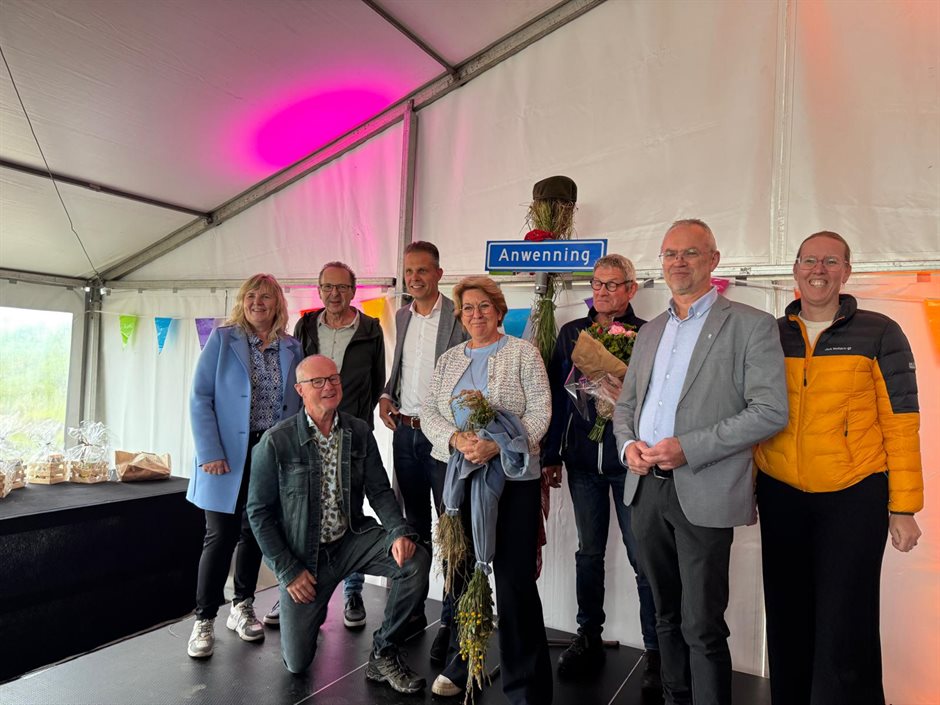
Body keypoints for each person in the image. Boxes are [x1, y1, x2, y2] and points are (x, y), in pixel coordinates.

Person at [613, 219, 788, 705]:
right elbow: (626, 406)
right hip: (645, 488)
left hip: (704, 489)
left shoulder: (751, 325)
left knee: (702, 624)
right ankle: (675, 697)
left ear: (713, 260)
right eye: (670, 253)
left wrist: (688, 447)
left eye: (690, 253)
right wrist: (627, 445)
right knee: (664, 614)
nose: (679, 262)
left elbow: (770, 411)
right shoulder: (650, 331)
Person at [754, 231, 923, 705]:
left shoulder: (879, 332)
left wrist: (904, 507)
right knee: (787, 616)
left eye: (831, 261)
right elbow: (751, 411)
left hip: (854, 496)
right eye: (810, 260)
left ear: (847, 271)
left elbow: (902, 422)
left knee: (846, 622)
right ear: (795, 269)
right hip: (781, 493)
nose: (819, 270)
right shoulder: (771, 334)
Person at [246, 355, 429, 694]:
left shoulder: (358, 431)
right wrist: (288, 571)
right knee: (297, 663)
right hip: (305, 559)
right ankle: (308, 612)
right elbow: (258, 513)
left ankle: (384, 652)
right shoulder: (275, 441)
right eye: (317, 382)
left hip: (351, 539)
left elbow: (379, 490)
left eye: (333, 379)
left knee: (415, 559)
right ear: (300, 390)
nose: (328, 386)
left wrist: (398, 531)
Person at [422, 276, 553, 704]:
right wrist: (456, 440)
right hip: (459, 479)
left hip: (513, 480)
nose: (475, 314)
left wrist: (498, 444)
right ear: (460, 316)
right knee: (461, 575)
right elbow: (429, 412)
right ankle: (464, 663)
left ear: (499, 311)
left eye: (483, 306)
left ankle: (526, 688)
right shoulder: (448, 360)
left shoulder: (523, 353)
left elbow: (541, 413)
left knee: (514, 583)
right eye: (467, 308)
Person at [541, 254, 660, 688]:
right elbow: (556, 396)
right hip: (582, 463)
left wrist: (623, 392)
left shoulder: (648, 333)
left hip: (631, 464)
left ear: (631, 289)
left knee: (642, 557)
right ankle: (587, 635)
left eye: (613, 284)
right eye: (597, 284)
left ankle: (656, 650)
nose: (603, 292)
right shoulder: (573, 332)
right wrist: (551, 455)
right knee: (588, 553)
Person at [186, 273, 305, 659]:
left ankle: (242, 606)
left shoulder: (292, 347)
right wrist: (210, 452)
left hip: (270, 453)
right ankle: (204, 619)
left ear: (277, 304)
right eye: (251, 295)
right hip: (225, 454)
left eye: (266, 296)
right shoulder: (223, 340)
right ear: (242, 301)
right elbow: (200, 397)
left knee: (255, 532)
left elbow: (298, 405)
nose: (258, 302)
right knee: (220, 535)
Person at [264, 261, 385, 629]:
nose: (335, 294)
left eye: (342, 287)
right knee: (299, 511)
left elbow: (376, 380)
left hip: (350, 434)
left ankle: (353, 590)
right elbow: (299, 379)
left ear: (353, 291)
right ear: (319, 291)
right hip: (308, 432)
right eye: (328, 287)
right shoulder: (305, 325)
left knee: (351, 509)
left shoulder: (371, 328)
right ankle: (292, 588)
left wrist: (358, 425)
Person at [377, 241, 469, 663]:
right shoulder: (401, 315)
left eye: (423, 270)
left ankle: (451, 619)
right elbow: (401, 369)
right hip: (406, 432)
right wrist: (386, 395)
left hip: (444, 436)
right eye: (409, 271)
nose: (414, 278)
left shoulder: (458, 315)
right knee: (413, 525)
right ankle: (414, 609)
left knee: (451, 526)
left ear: (439, 274)